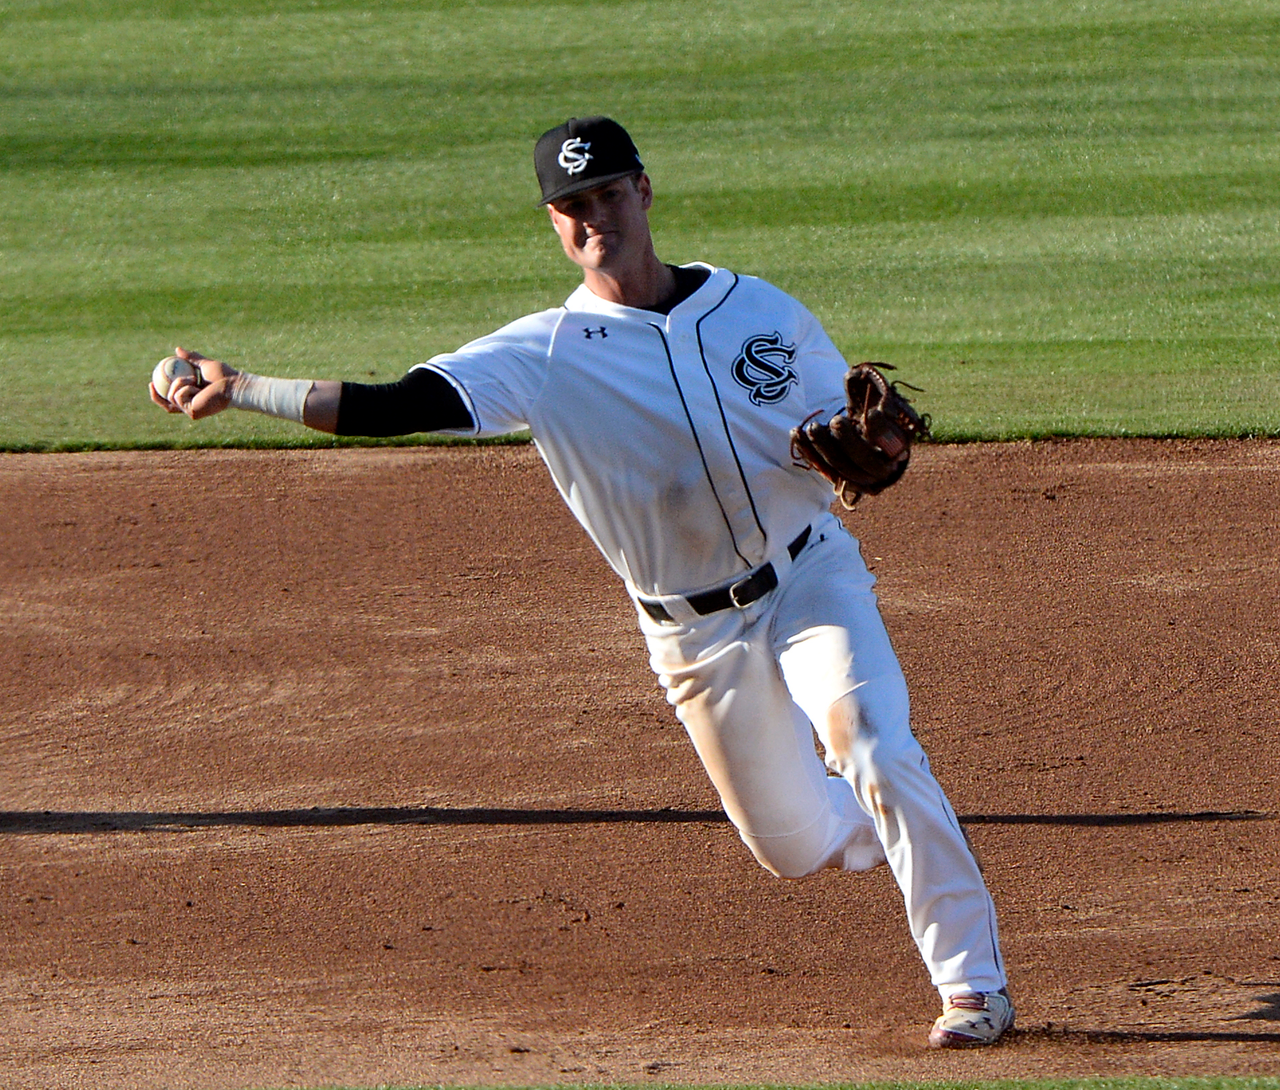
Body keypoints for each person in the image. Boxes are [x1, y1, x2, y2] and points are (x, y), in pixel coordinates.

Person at [150, 116, 1013, 1048]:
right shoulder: (545, 352)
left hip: (811, 580)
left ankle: (973, 985)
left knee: (878, 745)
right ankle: (892, 817)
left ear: (643, 192)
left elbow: (836, 429)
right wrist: (242, 388)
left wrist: (868, 451)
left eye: (606, 193)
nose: (592, 216)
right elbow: (397, 406)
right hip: (693, 638)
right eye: (571, 205)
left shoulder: (757, 308)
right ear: (554, 223)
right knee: (792, 848)